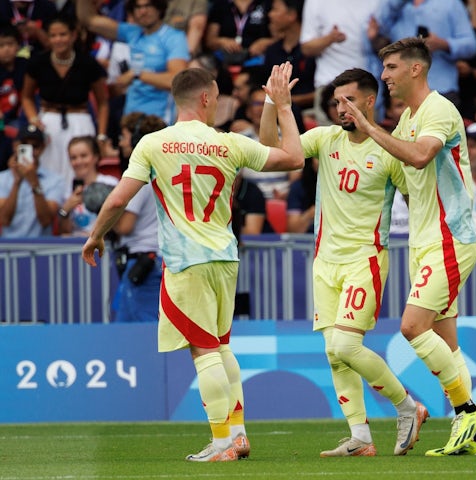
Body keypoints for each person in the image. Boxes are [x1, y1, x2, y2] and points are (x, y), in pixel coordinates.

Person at [81, 64, 304, 462]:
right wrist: (282, 106)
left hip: (186, 261)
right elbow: (293, 158)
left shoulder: (153, 143)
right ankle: (237, 435)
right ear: (204, 98)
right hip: (225, 256)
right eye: (217, 97)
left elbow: (117, 200)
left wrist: (95, 235)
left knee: (203, 352)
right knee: (220, 347)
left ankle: (222, 443)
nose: (219, 103)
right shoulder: (230, 143)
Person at [260, 67, 427, 457]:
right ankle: (360, 437)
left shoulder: (389, 149)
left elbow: (417, 201)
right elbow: (273, 151)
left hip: (364, 261)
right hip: (325, 262)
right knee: (334, 353)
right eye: (337, 102)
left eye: (348, 100)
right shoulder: (325, 139)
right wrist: (274, 102)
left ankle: (407, 407)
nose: (341, 108)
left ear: (370, 100)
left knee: (346, 345)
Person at [340, 38, 476, 456]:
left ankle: (468, 409)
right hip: (422, 243)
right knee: (448, 342)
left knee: (411, 327)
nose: (383, 75)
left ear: (415, 70)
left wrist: (370, 127)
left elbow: (421, 157)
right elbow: (404, 181)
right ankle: (471, 439)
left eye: (389, 68)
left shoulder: (438, 110)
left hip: (449, 239)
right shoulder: (406, 120)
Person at [21, 15, 109, 187]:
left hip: (80, 122)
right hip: (48, 123)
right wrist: (33, 118)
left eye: (62, 34)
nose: (58, 40)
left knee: (81, 170)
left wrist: (102, 135)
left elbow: (103, 103)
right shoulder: (38, 62)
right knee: (48, 170)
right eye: (53, 35)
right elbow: (26, 96)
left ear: (73, 35)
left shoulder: (88, 63)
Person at [76, 0, 190, 125]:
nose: (143, 11)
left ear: (159, 8)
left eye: (148, 5)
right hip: (131, 117)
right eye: (138, 7)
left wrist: (137, 74)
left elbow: (177, 81)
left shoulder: (173, 37)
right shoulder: (132, 32)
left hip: (158, 120)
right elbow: (89, 21)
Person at [110, 112, 166, 323]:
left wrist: (104, 214)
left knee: (138, 333)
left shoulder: (140, 174)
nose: (121, 143)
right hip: (156, 262)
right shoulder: (163, 172)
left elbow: (125, 226)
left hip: (145, 266)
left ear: (137, 141)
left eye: (124, 136)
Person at [372, 0, 476, 110]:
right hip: (402, 94)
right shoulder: (393, 6)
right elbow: (375, 28)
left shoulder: (451, 3)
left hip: (440, 90)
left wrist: (442, 44)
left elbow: (471, 45)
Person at [0, 124, 65, 237]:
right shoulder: (2, 178)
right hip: (9, 249)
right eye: (25, 145)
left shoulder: (55, 180)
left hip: (41, 249)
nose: (30, 151)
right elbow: (4, 220)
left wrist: (34, 181)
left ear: (43, 148)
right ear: (15, 145)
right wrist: (17, 182)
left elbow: (45, 220)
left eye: (35, 146)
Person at [57, 135, 119, 236]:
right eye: (73, 157)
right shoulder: (67, 189)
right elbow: (65, 232)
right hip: (76, 246)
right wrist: (65, 210)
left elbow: (119, 223)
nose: (78, 161)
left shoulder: (111, 183)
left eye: (84, 156)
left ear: (95, 157)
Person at [204, 0, 274, 68]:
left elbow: (281, 36)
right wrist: (222, 42)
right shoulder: (221, 4)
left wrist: (265, 43)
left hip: (257, 60)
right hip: (224, 59)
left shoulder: (266, 3)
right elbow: (210, 40)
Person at [0, 23, 28, 170]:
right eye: (1, 45)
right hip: (1, 121)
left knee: (26, 133)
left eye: (10, 44)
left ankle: (25, 169)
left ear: (18, 45)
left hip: (20, 119)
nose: (6, 49)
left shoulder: (25, 66)